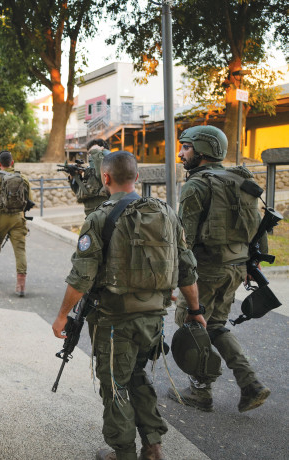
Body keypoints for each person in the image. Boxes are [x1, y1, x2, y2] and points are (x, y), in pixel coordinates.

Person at [52, 151, 202, 460]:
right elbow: (187, 269)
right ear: (137, 177)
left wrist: (61, 316)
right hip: (153, 319)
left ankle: (122, 452)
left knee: (114, 385)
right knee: (136, 375)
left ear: (105, 178)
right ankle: (153, 444)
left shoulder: (99, 217)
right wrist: (196, 311)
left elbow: (82, 276)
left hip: (113, 322)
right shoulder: (167, 214)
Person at [167, 125, 271, 412]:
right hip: (237, 268)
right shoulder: (241, 179)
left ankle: (201, 391)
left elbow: (183, 240)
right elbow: (260, 226)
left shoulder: (197, 185)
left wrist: (175, 277)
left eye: (186, 147)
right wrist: (254, 261)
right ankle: (250, 384)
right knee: (215, 325)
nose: (181, 153)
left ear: (203, 150)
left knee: (191, 324)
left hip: (206, 271)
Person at [0, 150, 32, 296]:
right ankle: (21, 285)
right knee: (20, 250)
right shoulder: (23, 178)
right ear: (12, 162)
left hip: (0, 219)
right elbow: (29, 200)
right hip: (18, 218)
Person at [68, 138, 111, 216]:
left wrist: (97, 153)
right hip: (91, 217)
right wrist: (74, 177)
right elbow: (79, 192)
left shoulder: (111, 169)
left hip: (106, 214)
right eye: (90, 153)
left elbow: (101, 176)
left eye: (94, 152)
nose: (91, 156)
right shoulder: (89, 171)